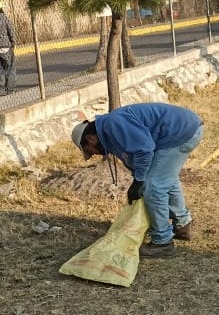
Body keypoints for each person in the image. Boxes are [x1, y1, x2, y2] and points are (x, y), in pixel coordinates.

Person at [71, 103, 204, 259]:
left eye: (89, 151)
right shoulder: (109, 134)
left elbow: (144, 149)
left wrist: (140, 181)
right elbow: (133, 158)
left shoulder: (114, 125)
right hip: (185, 128)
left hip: (179, 131)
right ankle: (182, 226)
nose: (94, 155)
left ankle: (163, 243)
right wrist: (138, 178)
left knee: (154, 186)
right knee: (164, 179)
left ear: (90, 138)